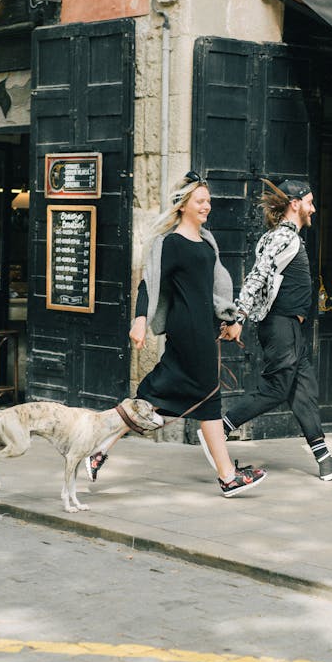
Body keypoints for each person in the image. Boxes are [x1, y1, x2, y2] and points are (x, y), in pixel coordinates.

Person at [88, 172, 267, 497]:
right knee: (208, 397)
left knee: (161, 398)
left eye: (208, 201)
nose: (207, 206)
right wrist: (140, 319)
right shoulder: (169, 243)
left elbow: (215, 288)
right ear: (184, 204)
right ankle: (227, 477)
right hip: (188, 331)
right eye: (200, 201)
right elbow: (147, 283)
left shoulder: (207, 240)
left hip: (204, 328)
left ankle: (99, 448)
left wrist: (230, 317)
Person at [220, 178, 332, 482]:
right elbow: (257, 276)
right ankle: (220, 431)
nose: (314, 208)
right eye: (310, 202)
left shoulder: (287, 236)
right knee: (276, 389)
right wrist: (238, 316)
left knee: (303, 389)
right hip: (280, 326)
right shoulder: (284, 237)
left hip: (290, 329)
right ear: (295, 204)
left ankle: (324, 460)